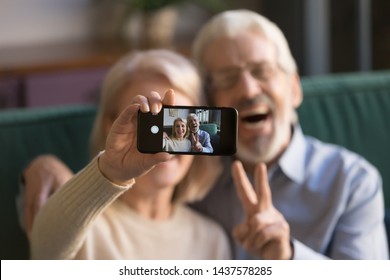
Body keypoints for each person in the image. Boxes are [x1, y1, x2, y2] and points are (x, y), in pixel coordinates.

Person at [188, 9, 388, 259]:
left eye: (262, 71)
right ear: (207, 102)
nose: (248, 91)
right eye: (228, 79)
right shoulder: (190, 183)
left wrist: (288, 257)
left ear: (294, 88)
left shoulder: (352, 182)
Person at [28, 49, 230, 259]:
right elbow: (44, 250)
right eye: (148, 121)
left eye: (178, 118)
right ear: (110, 125)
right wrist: (110, 171)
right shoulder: (81, 218)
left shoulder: (212, 240)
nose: (163, 144)